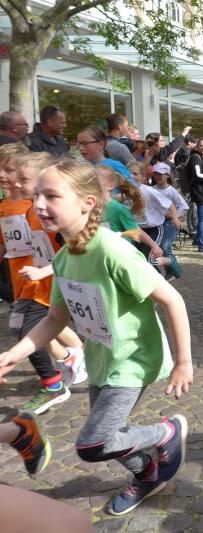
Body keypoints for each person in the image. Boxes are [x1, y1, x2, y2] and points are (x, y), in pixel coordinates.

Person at [0, 158, 193, 516]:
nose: (39, 204)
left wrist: (184, 363)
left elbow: (172, 299)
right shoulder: (64, 257)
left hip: (133, 360)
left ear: (87, 203)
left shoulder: (111, 250)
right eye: (37, 195)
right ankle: (149, 475)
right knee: (110, 436)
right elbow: (55, 318)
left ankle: (165, 433)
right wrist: (16, 352)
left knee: (93, 443)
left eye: (51, 196)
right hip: (102, 359)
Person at [0, 145, 85, 414]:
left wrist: (46, 271)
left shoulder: (49, 213)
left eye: (22, 178)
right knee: (23, 327)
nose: (14, 181)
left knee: (29, 328)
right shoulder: (24, 211)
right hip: (29, 282)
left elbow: (73, 249)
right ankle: (72, 357)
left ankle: (56, 381)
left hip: (48, 283)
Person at [128, 161, 183, 279]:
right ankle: (154, 279)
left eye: (135, 174)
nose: (131, 176)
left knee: (148, 259)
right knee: (138, 259)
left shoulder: (149, 191)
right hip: (138, 231)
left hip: (154, 229)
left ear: (143, 178)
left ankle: (169, 262)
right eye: (128, 173)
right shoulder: (127, 192)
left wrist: (175, 219)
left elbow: (170, 204)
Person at [148, 162, 187, 279]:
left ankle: (174, 271)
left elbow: (184, 207)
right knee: (154, 249)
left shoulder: (171, 191)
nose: (158, 176)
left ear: (167, 175)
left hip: (170, 223)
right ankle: (160, 272)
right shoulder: (151, 189)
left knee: (165, 247)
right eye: (156, 174)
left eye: (161, 174)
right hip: (156, 224)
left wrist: (173, 216)